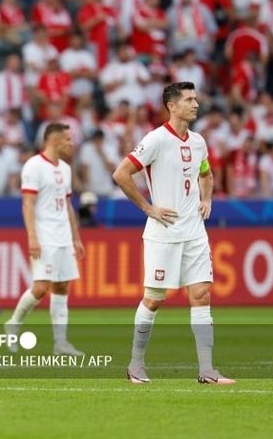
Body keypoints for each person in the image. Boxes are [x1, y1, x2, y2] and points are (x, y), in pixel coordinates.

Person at [112, 81, 235, 385]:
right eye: (189, 100)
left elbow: (206, 174)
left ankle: (206, 371)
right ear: (172, 105)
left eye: (196, 99)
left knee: (202, 295)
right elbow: (121, 173)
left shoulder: (198, 142)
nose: (196, 104)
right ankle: (136, 365)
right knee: (154, 299)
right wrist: (148, 208)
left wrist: (206, 199)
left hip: (194, 231)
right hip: (163, 232)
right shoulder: (155, 140)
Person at [4, 122, 85, 356]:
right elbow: (28, 204)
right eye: (68, 139)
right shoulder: (34, 166)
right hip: (44, 236)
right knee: (40, 288)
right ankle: (14, 323)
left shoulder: (66, 169)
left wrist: (76, 238)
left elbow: (67, 205)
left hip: (63, 237)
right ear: (54, 140)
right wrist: (32, 237)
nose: (72, 143)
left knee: (62, 287)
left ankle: (60, 343)